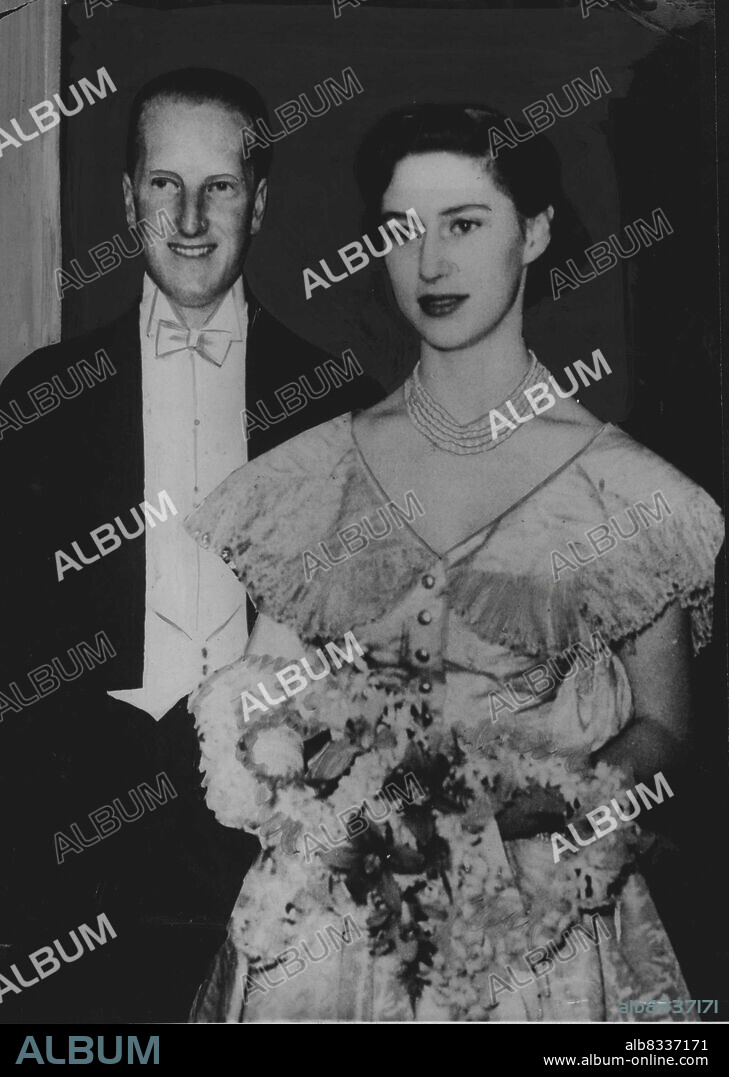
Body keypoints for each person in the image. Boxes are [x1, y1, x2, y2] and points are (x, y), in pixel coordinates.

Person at [183, 102, 724, 1022]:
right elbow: (265, 698)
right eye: (402, 231)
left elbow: (664, 728)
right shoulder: (314, 474)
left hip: (540, 937)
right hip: (334, 935)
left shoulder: (628, 492)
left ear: (538, 230)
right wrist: (297, 763)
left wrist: (545, 802)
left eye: (465, 225)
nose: (430, 263)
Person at [0, 68, 382, 1023]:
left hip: (272, 845)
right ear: (129, 199)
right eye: (164, 183)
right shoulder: (38, 398)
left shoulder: (340, 406)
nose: (190, 215)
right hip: (74, 831)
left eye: (219, 185)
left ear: (259, 201)